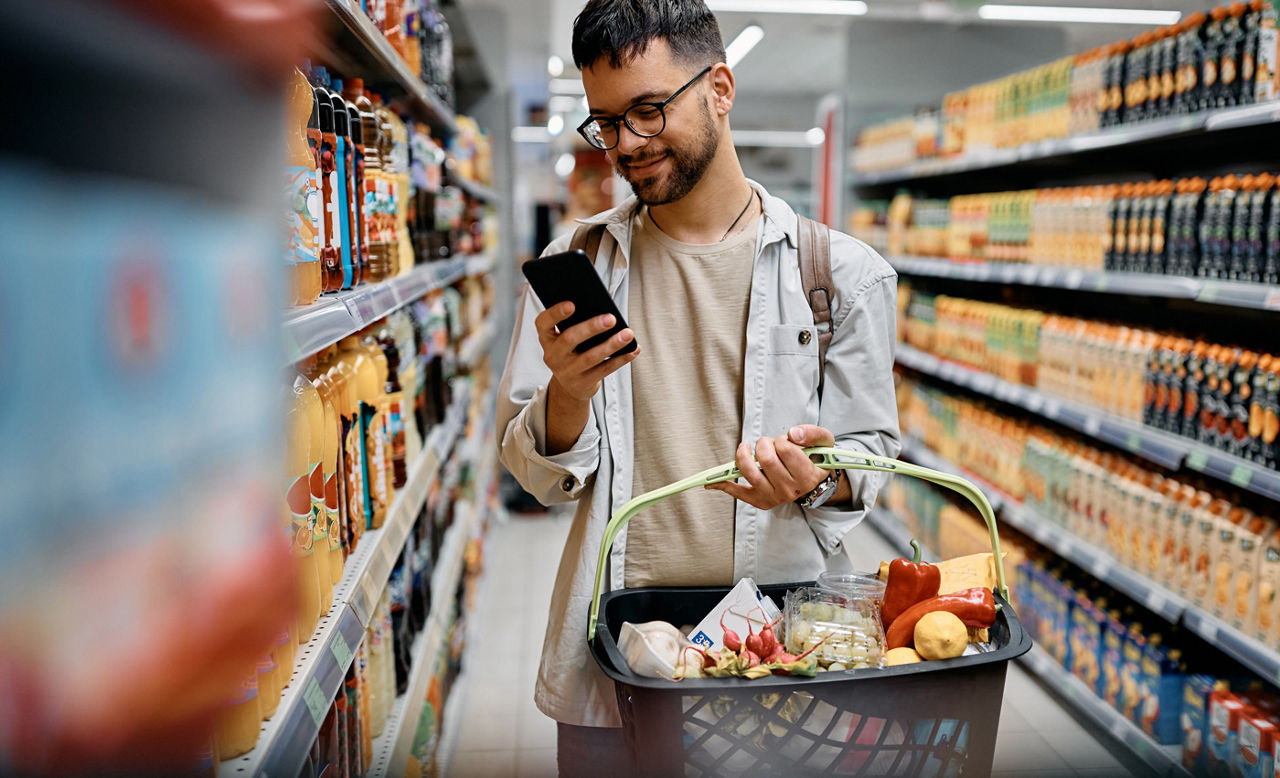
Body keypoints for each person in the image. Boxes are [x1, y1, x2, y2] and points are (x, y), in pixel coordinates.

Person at [496, 0, 900, 772]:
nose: (627, 146)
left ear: (719, 88)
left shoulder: (842, 276)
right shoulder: (577, 260)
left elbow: (871, 462)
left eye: (649, 111)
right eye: (606, 123)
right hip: (614, 656)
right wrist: (567, 396)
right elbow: (535, 478)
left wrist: (818, 475)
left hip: (776, 657)